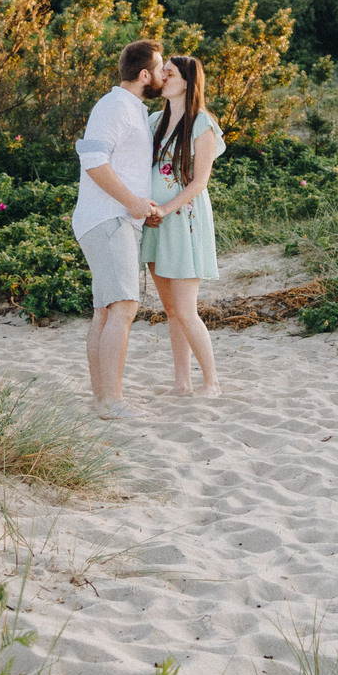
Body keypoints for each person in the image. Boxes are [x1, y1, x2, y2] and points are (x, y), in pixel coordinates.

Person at [73, 39, 164, 419]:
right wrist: (131, 203)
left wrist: (143, 207)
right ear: (144, 75)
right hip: (109, 220)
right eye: (160, 69)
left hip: (112, 219)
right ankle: (111, 401)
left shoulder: (131, 110)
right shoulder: (114, 106)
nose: (163, 75)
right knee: (124, 307)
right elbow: (93, 161)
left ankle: (101, 399)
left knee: (105, 312)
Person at [140, 54, 223, 395]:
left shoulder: (201, 123)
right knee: (171, 310)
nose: (163, 78)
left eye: (169, 73)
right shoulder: (154, 120)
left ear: (187, 82)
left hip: (183, 220)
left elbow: (199, 181)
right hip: (154, 222)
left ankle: (212, 381)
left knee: (187, 310)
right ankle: (182, 383)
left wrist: (165, 209)